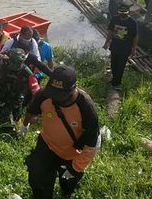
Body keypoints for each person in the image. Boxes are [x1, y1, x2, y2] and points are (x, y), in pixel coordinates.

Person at [20, 66, 99, 199]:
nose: (56, 99)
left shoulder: (86, 108)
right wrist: (25, 125)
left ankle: (67, 190)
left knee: (67, 183)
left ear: (75, 88)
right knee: (37, 177)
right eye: (54, 94)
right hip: (48, 144)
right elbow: (31, 110)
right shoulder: (44, 95)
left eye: (62, 96)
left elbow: (91, 145)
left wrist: (75, 168)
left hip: (71, 153)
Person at [0, 48, 40, 134]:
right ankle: (6, 126)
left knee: (17, 114)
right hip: (2, 93)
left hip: (17, 95)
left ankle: (14, 122)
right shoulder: (2, 61)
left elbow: (36, 92)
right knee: (4, 115)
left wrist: (34, 112)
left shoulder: (28, 74)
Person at [103, 6, 138, 90]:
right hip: (115, 46)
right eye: (121, 13)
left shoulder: (132, 22)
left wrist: (134, 49)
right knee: (113, 64)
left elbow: (135, 36)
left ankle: (117, 84)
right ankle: (114, 80)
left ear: (128, 13)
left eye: (124, 13)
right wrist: (106, 43)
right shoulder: (115, 19)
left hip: (125, 48)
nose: (122, 15)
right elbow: (110, 31)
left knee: (121, 66)